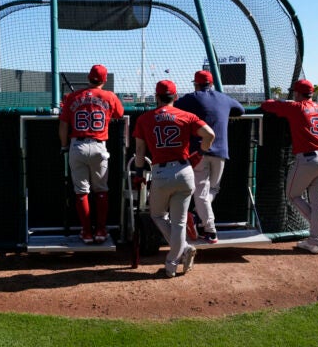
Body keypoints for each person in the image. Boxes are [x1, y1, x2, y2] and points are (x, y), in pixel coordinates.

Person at [133, 80, 215, 277]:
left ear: (157, 96)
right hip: (185, 170)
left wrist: (138, 174)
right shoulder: (186, 116)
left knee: (158, 215)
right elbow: (210, 134)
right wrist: (200, 153)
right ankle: (172, 263)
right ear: (175, 97)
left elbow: (139, 151)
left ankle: (182, 252)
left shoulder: (145, 118)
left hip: (160, 172)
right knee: (178, 222)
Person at [260, 79, 318, 254]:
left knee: (292, 194)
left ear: (297, 93)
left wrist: (285, 102)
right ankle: (314, 242)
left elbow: (267, 105)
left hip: (309, 159)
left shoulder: (296, 107)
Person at [175, 70, 245, 243]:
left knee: (202, 193)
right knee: (211, 190)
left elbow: (172, 107)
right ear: (212, 84)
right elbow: (241, 110)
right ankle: (198, 215)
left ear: (196, 84)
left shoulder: (191, 98)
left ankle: (210, 230)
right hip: (221, 152)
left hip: (200, 151)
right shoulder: (223, 98)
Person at [58, 64, 125, 244]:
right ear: (104, 80)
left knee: (81, 191)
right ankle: (101, 231)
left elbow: (63, 125)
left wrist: (64, 146)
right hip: (99, 146)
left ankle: (87, 232)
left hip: (77, 146)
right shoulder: (109, 96)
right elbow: (120, 114)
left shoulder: (72, 97)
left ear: (89, 78)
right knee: (101, 190)